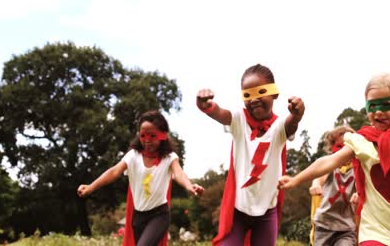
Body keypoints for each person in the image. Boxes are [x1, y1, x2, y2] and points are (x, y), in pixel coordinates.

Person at [278, 73, 390, 246]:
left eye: (387, 105)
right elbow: (329, 161)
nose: (379, 111)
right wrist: (295, 179)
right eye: (373, 106)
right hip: (374, 232)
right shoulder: (360, 140)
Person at [196, 64, 305, 246]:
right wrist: (207, 107)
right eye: (248, 95)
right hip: (238, 210)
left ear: (274, 94)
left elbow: (290, 125)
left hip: (266, 212)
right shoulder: (239, 120)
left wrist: (296, 115)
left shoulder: (278, 127)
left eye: (260, 92)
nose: (254, 99)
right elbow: (221, 114)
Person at [77, 110, 204, 246]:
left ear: (163, 136)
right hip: (138, 217)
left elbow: (179, 173)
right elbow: (114, 172)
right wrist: (91, 187)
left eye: (152, 136)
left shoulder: (169, 157)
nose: (147, 141)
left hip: (159, 215)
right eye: (143, 136)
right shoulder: (133, 156)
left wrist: (189, 186)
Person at [309, 125, 358, 246]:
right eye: (339, 147)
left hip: (347, 228)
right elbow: (319, 178)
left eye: (347, 147)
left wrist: (359, 194)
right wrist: (316, 185)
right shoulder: (330, 165)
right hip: (324, 224)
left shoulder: (359, 168)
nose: (343, 152)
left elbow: (365, 187)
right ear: (332, 148)